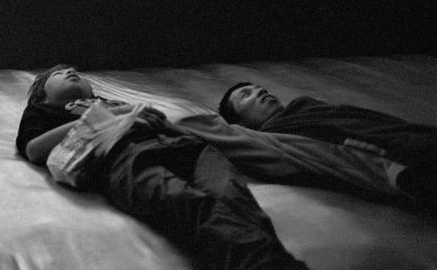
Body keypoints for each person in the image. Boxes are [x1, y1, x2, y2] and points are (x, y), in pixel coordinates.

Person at [17, 65, 309, 270]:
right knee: (189, 204)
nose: (70, 72)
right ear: (42, 95)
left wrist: (143, 115)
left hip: (186, 147)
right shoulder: (43, 111)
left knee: (236, 199)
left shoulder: (108, 101)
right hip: (125, 156)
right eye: (58, 74)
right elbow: (34, 148)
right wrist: (108, 117)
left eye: (75, 73)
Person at [218, 82, 437, 211]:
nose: (259, 91)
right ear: (240, 124)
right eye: (246, 95)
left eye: (259, 88)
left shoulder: (308, 108)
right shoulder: (278, 138)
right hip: (410, 160)